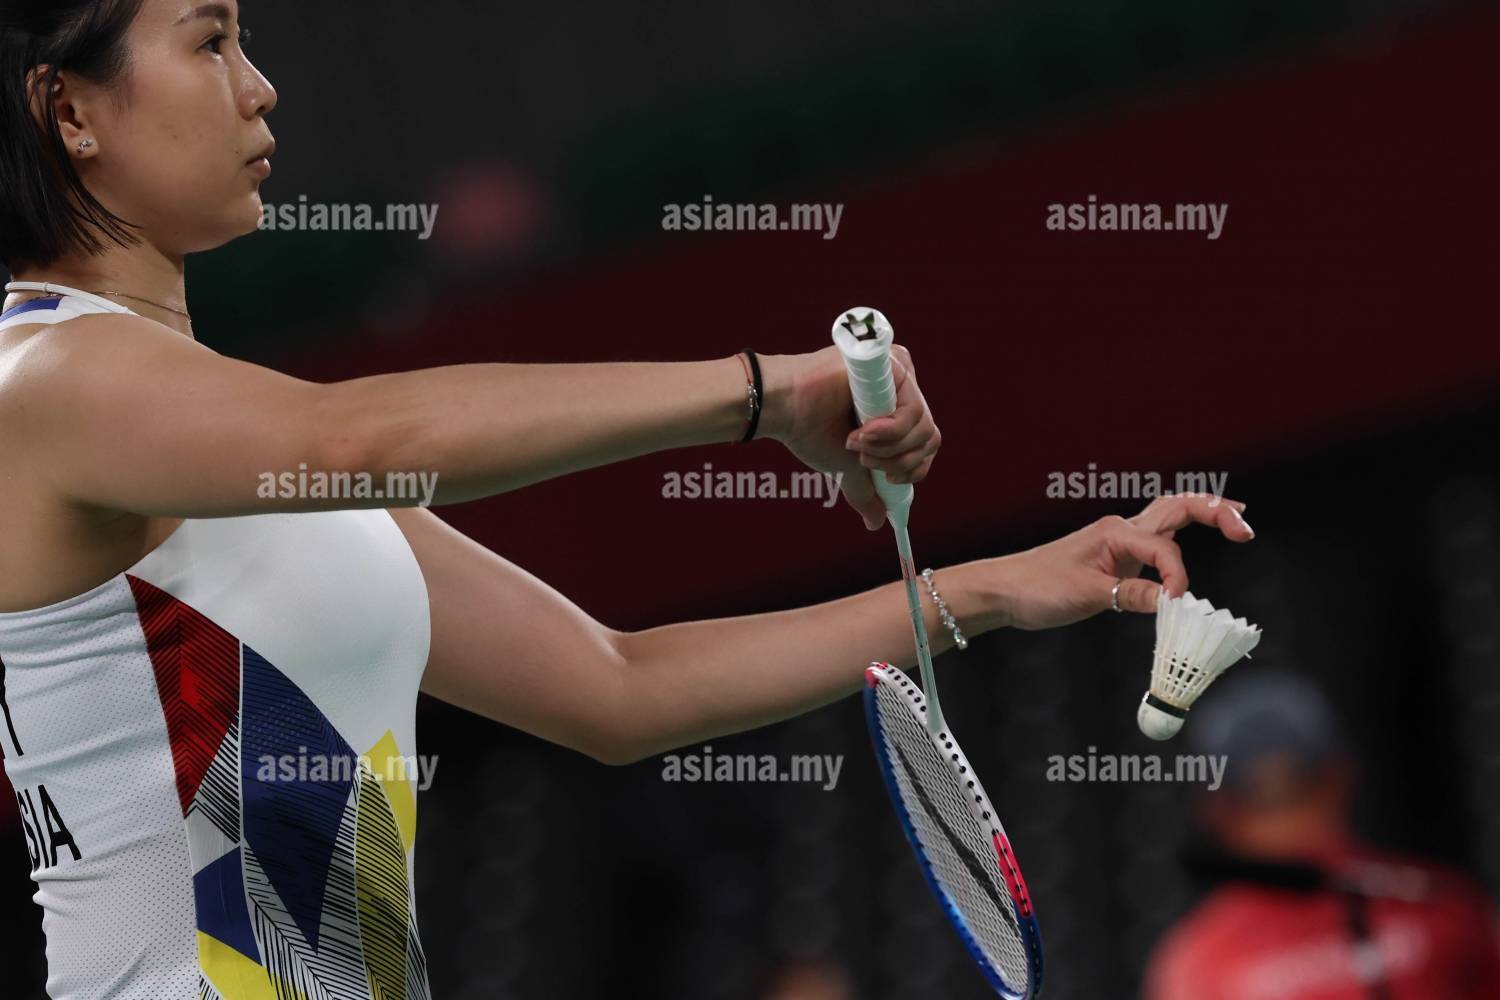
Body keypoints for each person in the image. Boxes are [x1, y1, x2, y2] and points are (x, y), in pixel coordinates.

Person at [0, 1, 1255, 997]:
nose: (260, 85)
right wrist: (765, 390)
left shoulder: (232, 443)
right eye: (211, 40)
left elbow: (618, 688)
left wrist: (983, 589)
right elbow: (362, 437)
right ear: (70, 110)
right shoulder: (44, 377)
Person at [1145, 671, 1500, 1000]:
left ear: (1341, 781)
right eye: (1265, 804)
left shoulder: (1437, 902)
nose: (1290, 828)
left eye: (1300, 795)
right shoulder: (1200, 959)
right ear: (1217, 811)